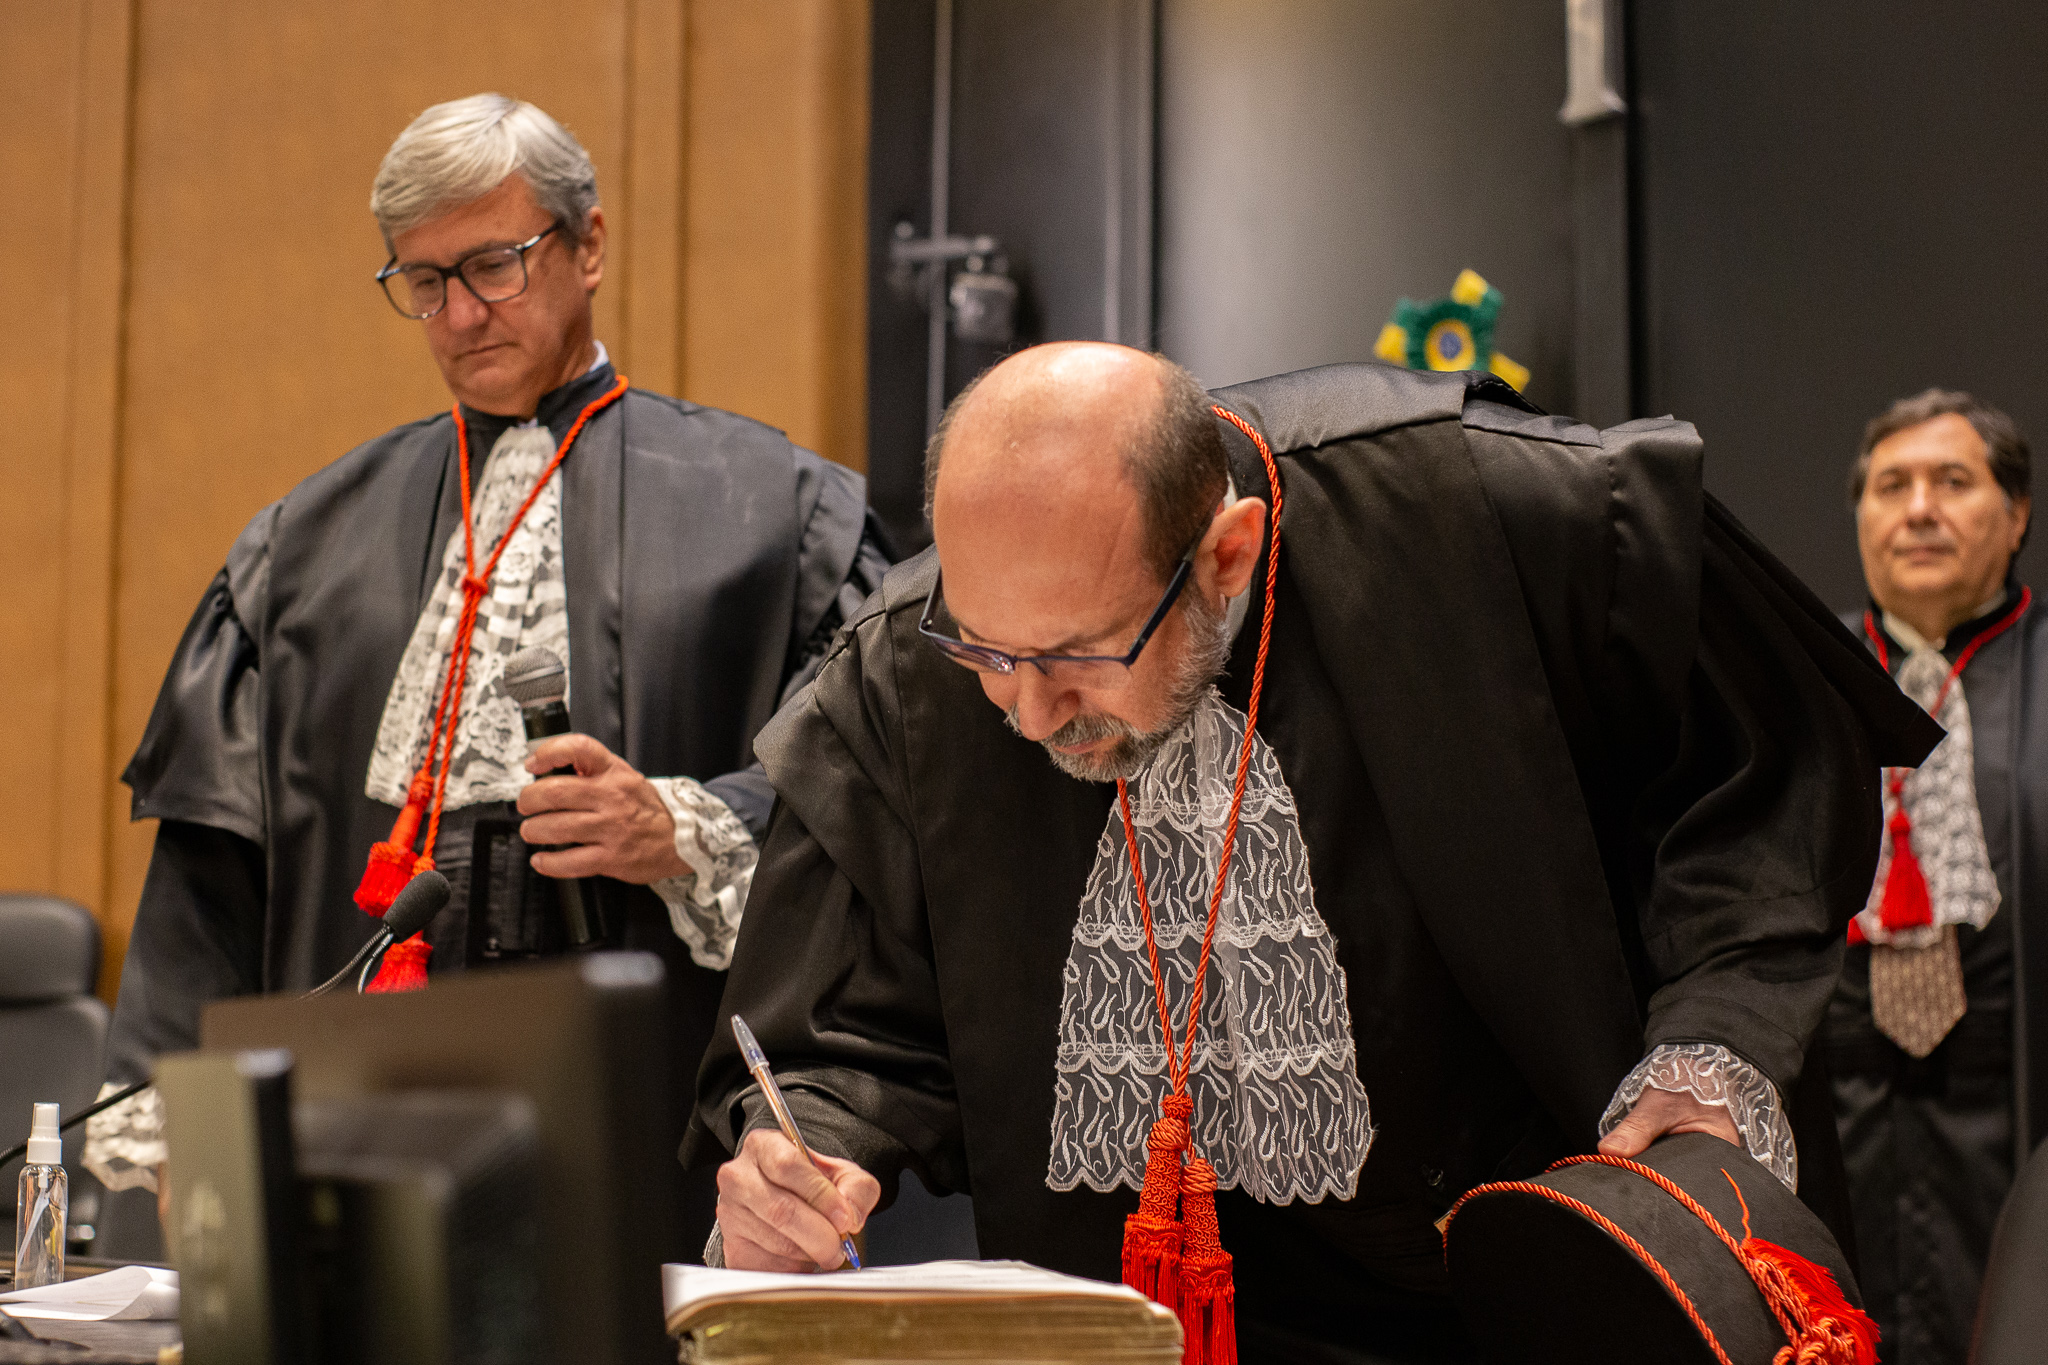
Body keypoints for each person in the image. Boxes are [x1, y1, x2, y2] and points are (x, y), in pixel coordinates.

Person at [692, 343, 1936, 1362]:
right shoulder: (901, 669)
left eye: (1075, 657)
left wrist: (1713, 1039)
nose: (1023, 713)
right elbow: (842, 1022)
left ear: (1225, 554)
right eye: (983, 651)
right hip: (1182, 1313)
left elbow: (1752, 782)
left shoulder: (1491, 511)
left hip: (1545, 1256)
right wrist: (802, 1149)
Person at [87, 95, 888, 1224]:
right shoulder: (304, 543)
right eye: (424, 281)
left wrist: (680, 828)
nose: (460, 314)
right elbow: (209, 870)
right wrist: (173, 1115)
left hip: (649, 1094)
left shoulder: (777, 513)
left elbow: (855, 795)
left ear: (588, 245)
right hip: (351, 1098)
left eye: (494, 266)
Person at [1826, 389, 2045, 1364]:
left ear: (2016, 514)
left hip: (2015, 1117)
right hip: (1844, 1123)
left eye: (1952, 482)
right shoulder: (1800, 679)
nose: (1917, 509)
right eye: (1891, 486)